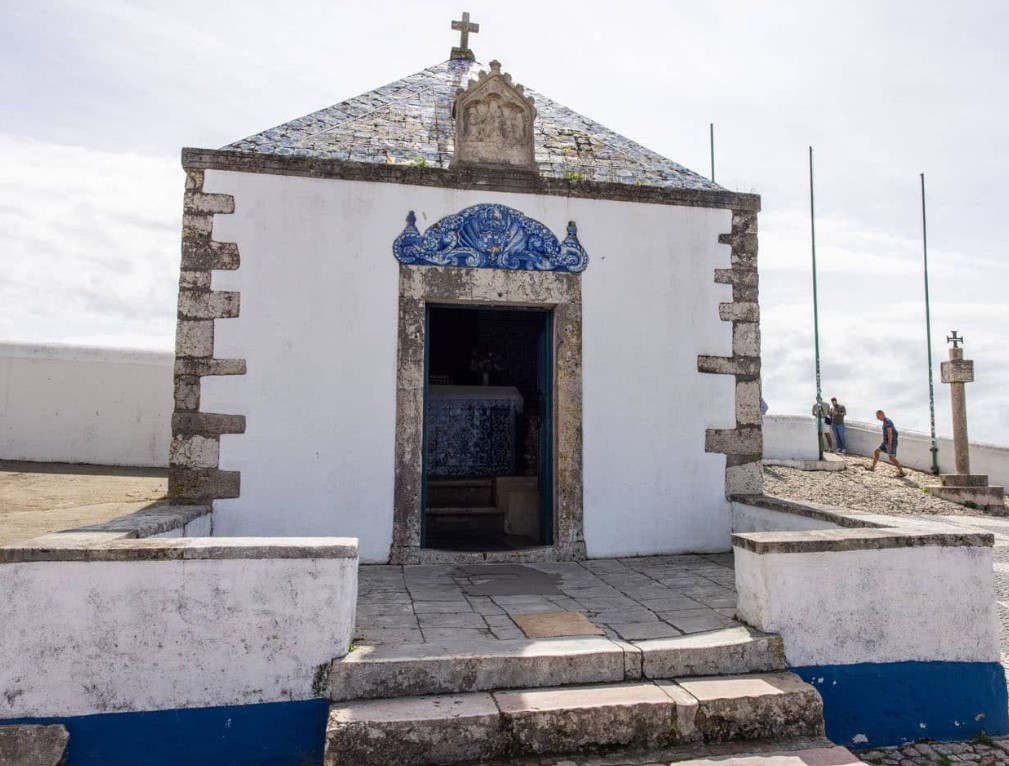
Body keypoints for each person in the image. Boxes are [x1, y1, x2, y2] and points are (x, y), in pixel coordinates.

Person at [866, 409, 906, 478]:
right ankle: (872, 467)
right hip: (885, 442)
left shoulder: (888, 422)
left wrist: (890, 445)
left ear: (882, 414)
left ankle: (902, 472)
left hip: (890, 442)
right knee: (876, 451)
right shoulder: (885, 421)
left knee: (892, 458)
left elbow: (890, 433)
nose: (877, 418)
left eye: (878, 416)